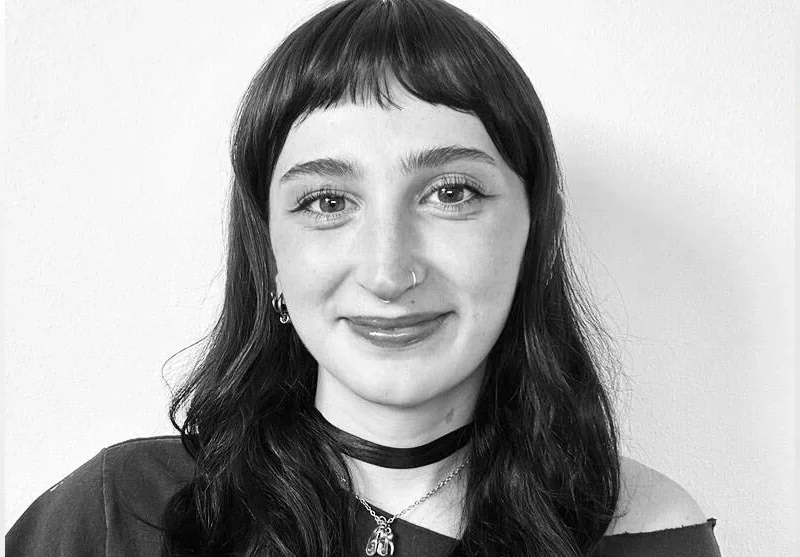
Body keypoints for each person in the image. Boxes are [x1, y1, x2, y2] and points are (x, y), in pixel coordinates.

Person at [7, 0, 722, 555]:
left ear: (533, 231)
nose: (389, 271)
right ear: (271, 256)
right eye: (326, 201)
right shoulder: (115, 514)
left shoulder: (647, 530)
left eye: (451, 193)